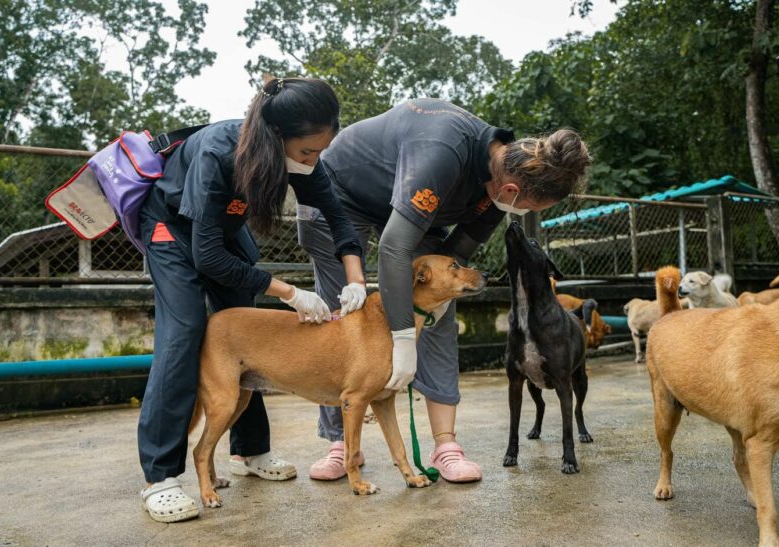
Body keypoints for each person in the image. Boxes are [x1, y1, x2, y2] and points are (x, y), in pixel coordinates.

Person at [298, 98, 591, 483]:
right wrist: (403, 338)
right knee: (344, 314)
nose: (528, 215)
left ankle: (445, 444)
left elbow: (453, 258)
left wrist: (427, 306)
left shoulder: (502, 184)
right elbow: (393, 248)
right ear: (512, 188)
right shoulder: (440, 152)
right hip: (338, 192)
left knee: (440, 301)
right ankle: (340, 442)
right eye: (533, 208)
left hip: (409, 209)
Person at [137, 77, 366, 523]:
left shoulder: (302, 156)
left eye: (320, 152)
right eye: (306, 153)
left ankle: (249, 452)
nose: (313, 162)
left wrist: (357, 280)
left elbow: (338, 218)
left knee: (247, 333)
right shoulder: (218, 155)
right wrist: (290, 292)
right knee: (184, 331)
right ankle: (159, 477)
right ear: (277, 137)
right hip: (171, 228)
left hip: (220, 230)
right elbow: (206, 257)